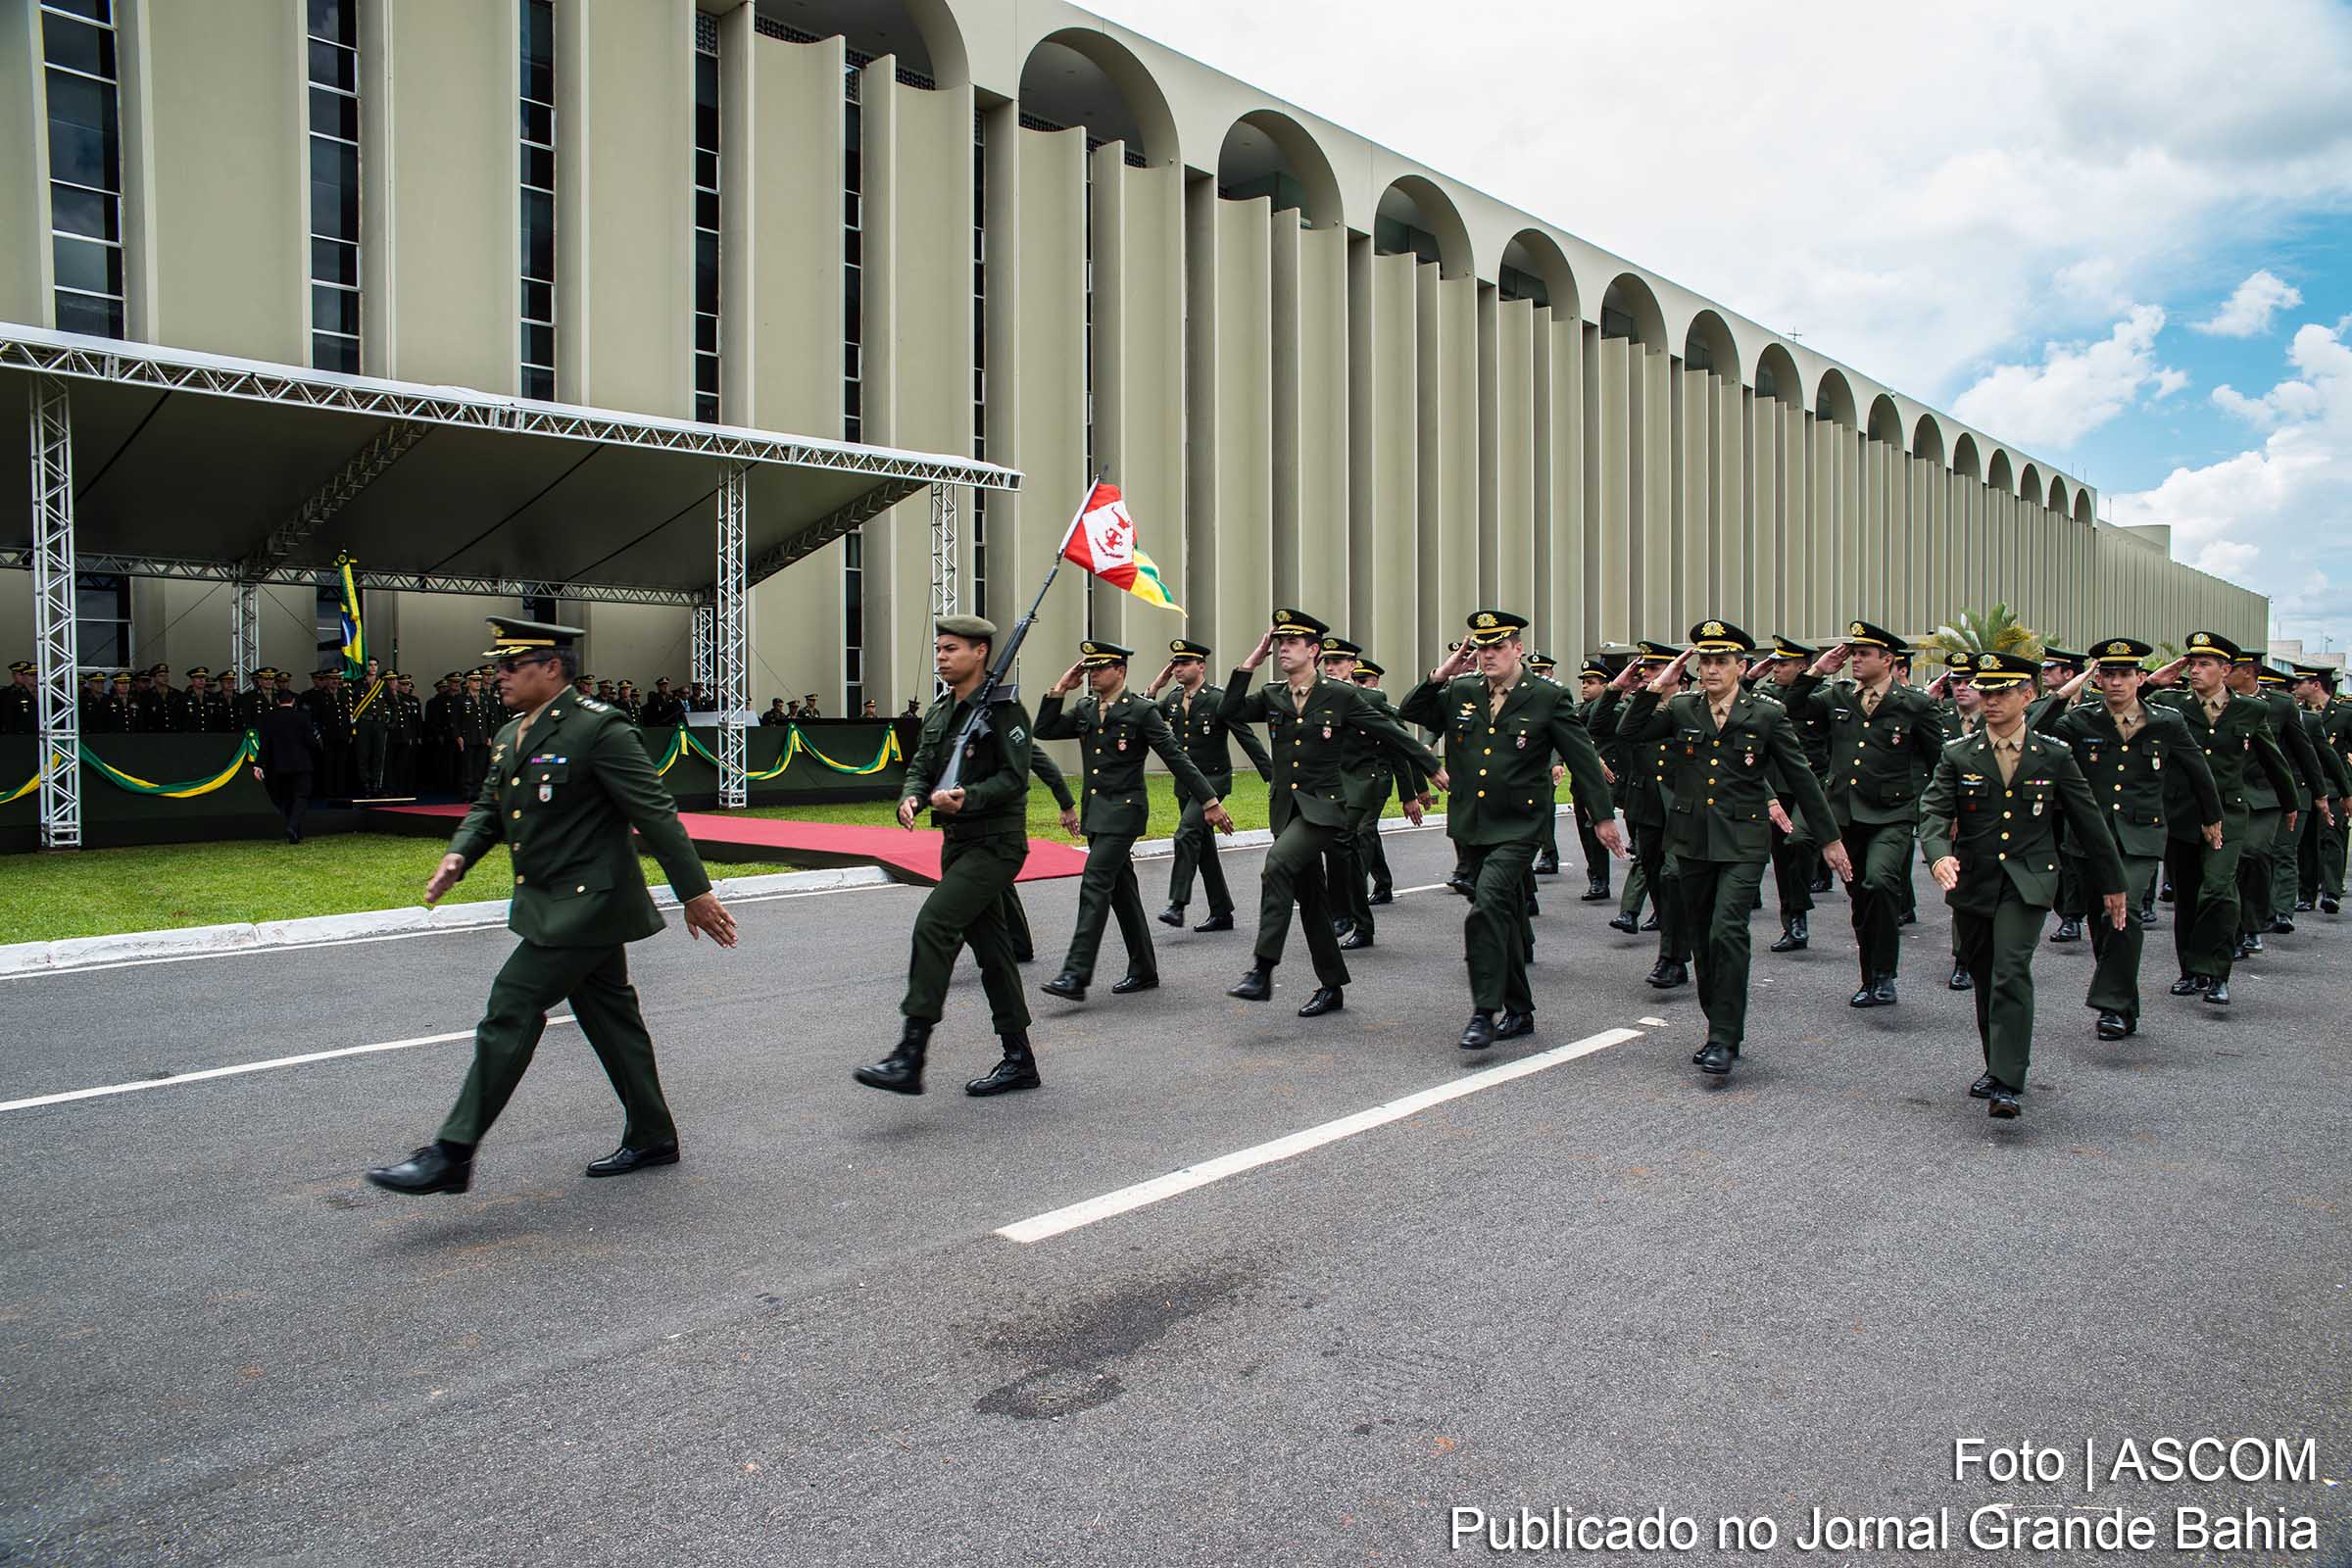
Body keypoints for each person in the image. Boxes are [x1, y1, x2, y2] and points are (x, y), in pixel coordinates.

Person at [366, 617, 737, 1196]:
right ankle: (653, 1134)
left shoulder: (599, 728)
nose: (500, 675)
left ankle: (452, 1152)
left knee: (511, 1006)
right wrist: (460, 855)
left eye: (512, 665)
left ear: (552, 668)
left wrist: (694, 892)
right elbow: (489, 808)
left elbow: (654, 812)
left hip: (587, 906)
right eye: (498, 666)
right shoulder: (510, 734)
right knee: (610, 1018)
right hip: (551, 903)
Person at [1605, 623, 1850, 1075]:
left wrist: (1830, 839)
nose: (1712, 670)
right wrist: (1657, 685)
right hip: (1691, 840)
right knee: (1701, 938)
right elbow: (1629, 730)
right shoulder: (1683, 707)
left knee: (1727, 932)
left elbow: (1801, 777)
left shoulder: (1767, 714)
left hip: (1742, 841)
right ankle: (1717, 1023)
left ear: (1741, 667)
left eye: (1722, 662)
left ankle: (1723, 1035)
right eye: (1706, 662)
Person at [1921, 651, 2129, 1119]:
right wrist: (1938, 855)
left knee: (2010, 969)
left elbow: (2089, 821)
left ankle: (2008, 1080)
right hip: (1974, 879)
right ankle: (1996, 1063)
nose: (1990, 701)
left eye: (2002, 692)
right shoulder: (1959, 753)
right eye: (1985, 692)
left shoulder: (2052, 755)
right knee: (1984, 972)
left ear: (2028, 695)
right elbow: (1933, 811)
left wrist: (2113, 883)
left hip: (2029, 879)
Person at [1401, 611, 1617, 1051]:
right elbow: (1411, 712)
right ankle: (1520, 1010)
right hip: (1471, 824)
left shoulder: (1547, 696)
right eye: (1482, 648)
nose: (1488, 655)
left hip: (1520, 825)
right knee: (1501, 917)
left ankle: (1485, 1011)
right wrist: (1440, 675)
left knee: (1486, 907)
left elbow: (1581, 756)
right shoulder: (1461, 689)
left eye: (1497, 647)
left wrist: (1602, 816)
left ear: (1518, 649)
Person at [1218, 609, 1444, 1017]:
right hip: (1285, 811)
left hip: (1322, 810)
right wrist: (1251, 661)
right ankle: (1332, 986)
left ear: (1314, 651)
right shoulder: (1273, 694)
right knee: (1312, 902)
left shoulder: (1339, 695)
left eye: (1292, 643)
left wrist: (1429, 766)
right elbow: (1228, 712)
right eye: (1279, 643)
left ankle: (1262, 969)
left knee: (1276, 866)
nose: (1283, 649)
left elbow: (1390, 732)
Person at [858, 615, 1041, 1098]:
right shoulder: (941, 711)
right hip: (957, 845)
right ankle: (1020, 1060)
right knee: (994, 954)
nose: (941, 657)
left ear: (981, 652)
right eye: (938, 649)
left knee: (934, 925)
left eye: (951, 648)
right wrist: (912, 796)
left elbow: (1015, 779)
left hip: (995, 845)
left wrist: (968, 797)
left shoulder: (1004, 710)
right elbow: (922, 764)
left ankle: (910, 1055)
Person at [2030, 638, 2223, 1041]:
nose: (2116, 682)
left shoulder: (2166, 721)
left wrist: (2212, 817)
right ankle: (2125, 1005)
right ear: (2097, 679)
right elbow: (2035, 735)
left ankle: (2112, 1007)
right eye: (2108, 674)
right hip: (2089, 838)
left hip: (2141, 835)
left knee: (2122, 912)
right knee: (2102, 925)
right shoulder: (2081, 720)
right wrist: (2061, 696)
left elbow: (2197, 770)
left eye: (2125, 674)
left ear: (2139, 678)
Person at [1034, 640, 1232, 1003]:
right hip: (1096, 813)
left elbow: (1176, 757)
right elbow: (1044, 730)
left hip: (1124, 812)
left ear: (1120, 670)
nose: (1092, 674)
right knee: (1121, 892)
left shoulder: (1141, 711)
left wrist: (1209, 800)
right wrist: (1060, 688)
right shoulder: (1085, 708)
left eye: (1100, 668)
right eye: (1089, 668)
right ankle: (1144, 969)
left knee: (1095, 882)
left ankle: (1075, 973)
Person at [1779, 620, 1946, 1007]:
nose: (1855, 659)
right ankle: (1870, 975)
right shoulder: (1837, 696)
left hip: (1892, 814)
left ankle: (1884, 975)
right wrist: (1817, 670)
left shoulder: (1915, 704)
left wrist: (1936, 811)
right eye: (1853, 653)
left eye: (1864, 654)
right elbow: (1791, 707)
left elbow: (1939, 761)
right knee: (1860, 896)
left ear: (1887, 660)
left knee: (1880, 882)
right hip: (1845, 814)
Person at [2139, 632, 2300, 1004]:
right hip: (2183, 813)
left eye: (2204, 664)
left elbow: (2273, 758)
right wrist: (2152, 683)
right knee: (2187, 896)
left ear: (2225, 670)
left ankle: (2216, 973)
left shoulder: (2250, 710)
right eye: (2192, 664)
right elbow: (2120, 711)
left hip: (2228, 814)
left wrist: (2291, 803)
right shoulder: (2171, 704)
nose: (2195, 671)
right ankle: (2189, 971)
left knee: (2219, 890)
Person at [1145, 637, 1273, 933]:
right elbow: (1145, 714)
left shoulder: (1217, 699)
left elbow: (1247, 738)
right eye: (1174, 664)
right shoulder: (1173, 699)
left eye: (1184, 663)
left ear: (1201, 666)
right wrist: (1156, 686)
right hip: (1186, 785)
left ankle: (1177, 904)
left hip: (1213, 780)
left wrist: (1272, 778)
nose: (1177, 669)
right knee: (1203, 848)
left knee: (1186, 833)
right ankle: (1221, 911)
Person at [1592, 642, 1694, 987]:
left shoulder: (1690, 707)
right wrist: (1616, 687)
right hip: (1645, 804)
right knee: (1655, 876)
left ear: (1677, 672)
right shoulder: (1637, 706)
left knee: (1673, 876)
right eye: (1645, 669)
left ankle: (1672, 957)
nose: (1647, 674)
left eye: (1654, 669)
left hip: (1683, 805)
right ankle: (1674, 946)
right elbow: (1599, 724)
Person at [1571, 657, 1618, 902]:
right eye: (1583, 682)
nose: (1585, 686)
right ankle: (1596, 877)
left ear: (1605, 685)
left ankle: (1601, 879)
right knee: (1585, 828)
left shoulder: (1612, 708)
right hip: (1583, 776)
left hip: (1609, 776)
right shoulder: (1578, 709)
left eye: (1591, 682)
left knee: (1596, 822)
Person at [252, 685, 323, 844]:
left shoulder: (269, 719)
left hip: (278, 766)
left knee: (285, 799)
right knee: (301, 797)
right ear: (293, 701)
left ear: (277, 702)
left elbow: (265, 744)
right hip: (301, 764)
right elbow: (312, 742)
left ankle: (294, 829)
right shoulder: (302, 717)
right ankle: (293, 826)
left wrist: (259, 764)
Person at [1, 660, 34, 735]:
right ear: (13, 675)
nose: (23, 676)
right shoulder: (4, 693)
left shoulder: (37, 692)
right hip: (11, 732)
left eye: (26, 674)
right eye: (20, 674)